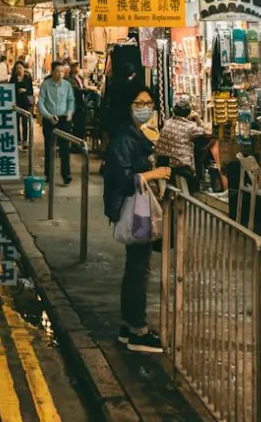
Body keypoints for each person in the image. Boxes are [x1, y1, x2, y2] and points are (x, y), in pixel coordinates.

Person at [103, 83, 171, 354]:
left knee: (136, 266)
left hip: (140, 207)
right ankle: (137, 331)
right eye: (138, 103)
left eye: (148, 104)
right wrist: (154, 174)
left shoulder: (137, 133)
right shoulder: (124, 137)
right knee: (138, 269)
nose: (144, 108)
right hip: (135, 209)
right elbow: (123, 177)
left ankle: (128, 326)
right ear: (128, 107)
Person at [154, 97, 208, 192]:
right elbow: (204, 131)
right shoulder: (190, 127)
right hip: (180, 166)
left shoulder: (167, 123)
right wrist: (197, 118)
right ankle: (197, 188)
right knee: (200, 151)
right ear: (189, 113)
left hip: (162, 163)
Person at [37, 63, 75, 185]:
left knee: (65, 149)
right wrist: (48, 116)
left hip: (63, 119)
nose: (60, 74)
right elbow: (40, 103)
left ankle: (66, 174)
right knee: (49, 148)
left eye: (62, 72)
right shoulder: (46, 85)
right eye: (58, 71)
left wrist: (70, 112)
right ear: (52, 72)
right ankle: (48, 174)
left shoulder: (67, 85)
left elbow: (71, 100)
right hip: (50, 120)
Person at [12, 60, 34, 148]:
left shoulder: (27, 78)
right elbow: (10, 89)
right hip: (16, 102)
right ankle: (18, 139)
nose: (19, 70)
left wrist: (25, 91)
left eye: (21, 68)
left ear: (24, 68)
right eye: (17, 68)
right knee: (16, 122)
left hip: (25, 102)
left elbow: (31, 90)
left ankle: (25, 141)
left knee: (25, 122)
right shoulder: (13, 79)